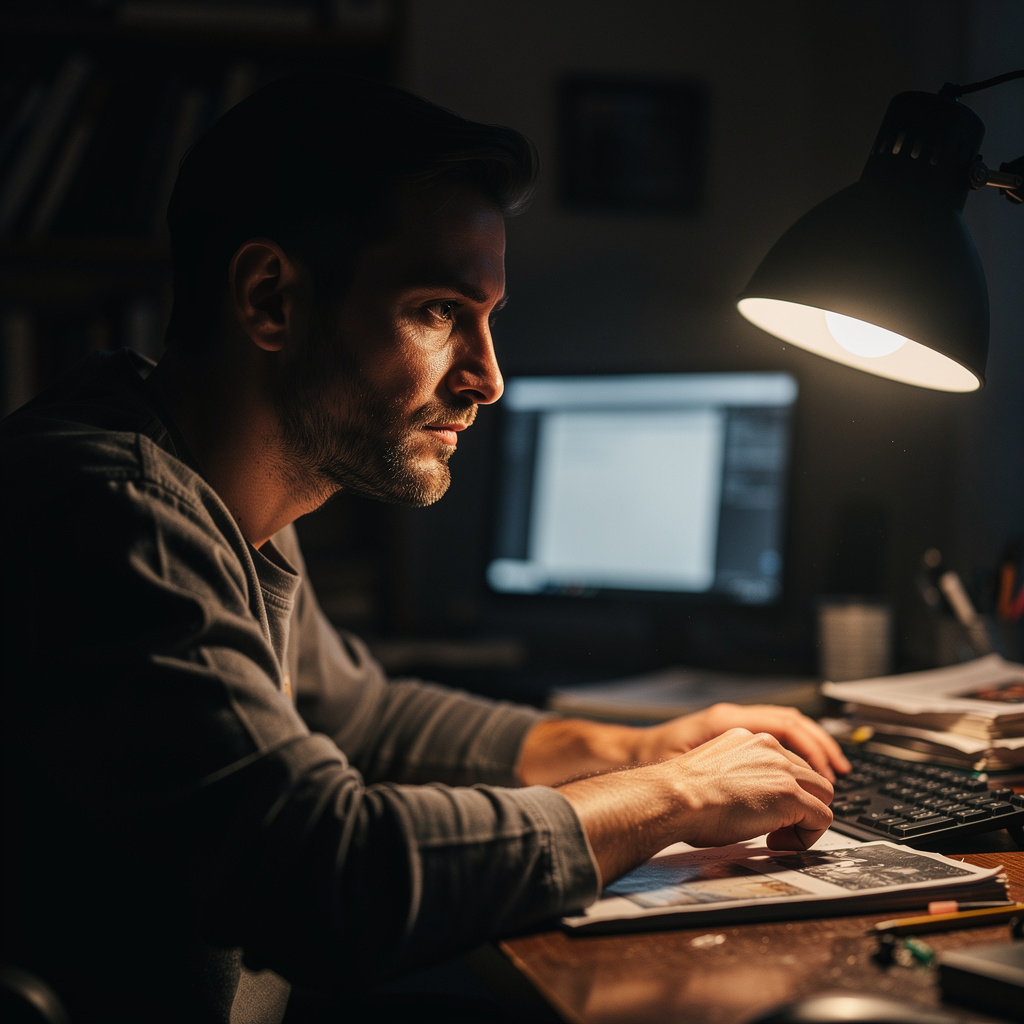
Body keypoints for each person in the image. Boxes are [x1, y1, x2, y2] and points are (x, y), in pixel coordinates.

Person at [0, 74, 847, 1024]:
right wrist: (669, 793)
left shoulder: (231, 496)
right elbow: (324, 874)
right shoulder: (114, 510)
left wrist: (633, 744)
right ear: (270, 298)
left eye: (487, 318)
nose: (488, 377)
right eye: (441, 310)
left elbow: (364, 718)